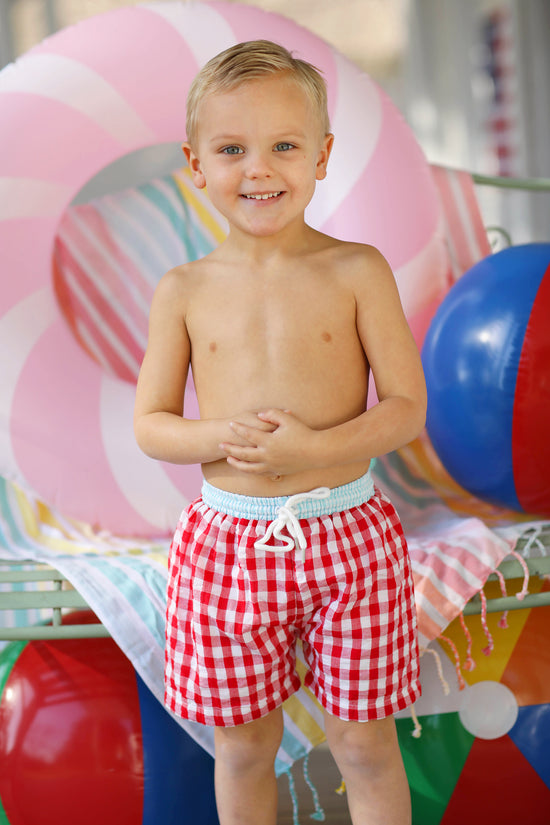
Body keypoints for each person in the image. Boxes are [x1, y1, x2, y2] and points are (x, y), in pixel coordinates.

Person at [134, 39, 426, 825]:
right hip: (229, 544)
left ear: (322, 156)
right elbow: (152, 426)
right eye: (232, 149)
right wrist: (221, 434)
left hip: (349, 537)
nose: (258, 169)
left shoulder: (358, 270)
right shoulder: (184, 290)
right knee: (242, 746)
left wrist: (314, 451)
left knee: (364, 743)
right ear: (196, 164)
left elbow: (406, 407)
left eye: (284, 146)